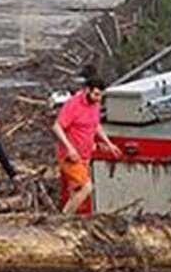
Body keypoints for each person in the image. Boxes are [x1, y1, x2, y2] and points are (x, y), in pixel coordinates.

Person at [52, 66, 121, 214]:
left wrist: (109, 144)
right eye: (96, 94)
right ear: (87, 90)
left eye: (100, 95)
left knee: (75, 191)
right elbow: (57, 127)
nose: (98, 98)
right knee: (87, 187)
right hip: (70, 156)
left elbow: (95, 125)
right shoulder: (73, 105)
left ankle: (69, 220)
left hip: (85, 156)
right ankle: (63, 218)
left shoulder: (95, 105)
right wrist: (69, 148)